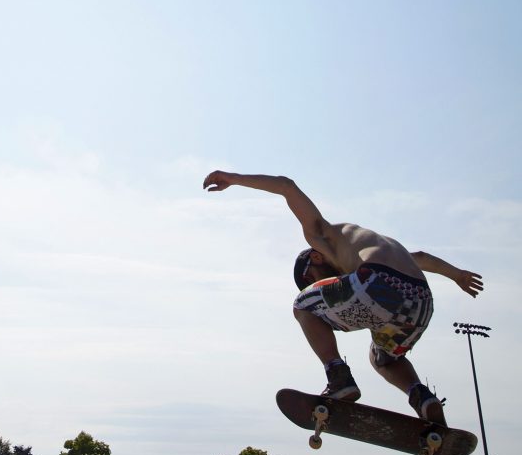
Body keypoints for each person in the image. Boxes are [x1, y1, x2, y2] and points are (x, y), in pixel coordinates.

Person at [203, 170, 484, 426]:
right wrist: (456, 275)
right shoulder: (369, 244)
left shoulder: (323, 236)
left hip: (377, 282)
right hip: (420, 303)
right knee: (383, 359)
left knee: (303, 305)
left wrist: (233, 178)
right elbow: (420, 258)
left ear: (314, 257)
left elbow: (287, 187)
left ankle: (338, 376)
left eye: (312, 278)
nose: (318, 284)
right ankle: (422, 398)